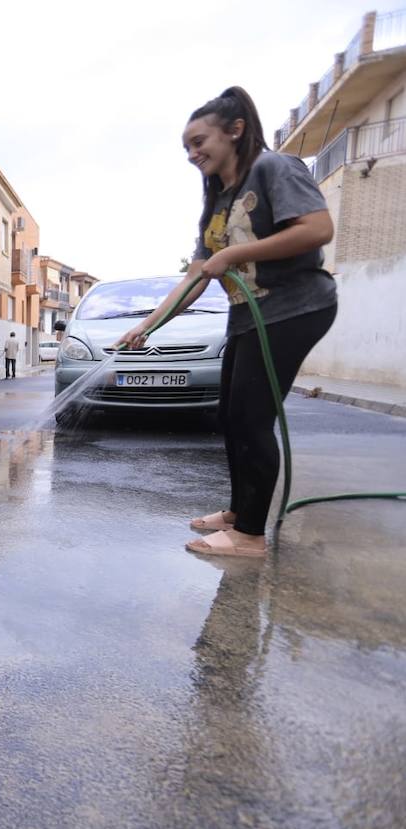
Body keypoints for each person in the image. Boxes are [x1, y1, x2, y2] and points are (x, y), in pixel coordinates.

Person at [116, 87, 336, 559]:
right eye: (187, 148)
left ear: (235, 131)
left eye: (199, 142)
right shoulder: (218, 201)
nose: (193, 154)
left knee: (252, 419)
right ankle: (240, 512)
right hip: (247, 317)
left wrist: (235, 253)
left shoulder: (274, 169)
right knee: (230, 417)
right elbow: (197, 276)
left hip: (295, 307)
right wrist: (147, 326)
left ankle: (251, 536)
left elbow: (318, 229)